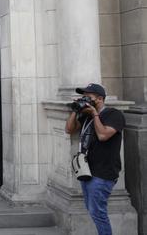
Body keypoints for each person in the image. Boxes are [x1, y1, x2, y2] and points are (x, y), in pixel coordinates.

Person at [65, 83, 125, 235]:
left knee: (98, 212)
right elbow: (69, 130)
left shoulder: (114, 114)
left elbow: (103, 135)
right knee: (93, 210)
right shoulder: (86, 115)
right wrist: (75, 110)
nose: (85, 99)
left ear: (99, 99)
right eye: (83, 96)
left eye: (88, 97)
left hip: (103, 172)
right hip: (87, 170)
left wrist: (95, 113)